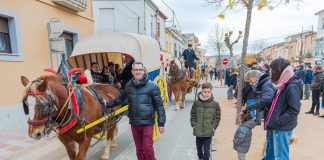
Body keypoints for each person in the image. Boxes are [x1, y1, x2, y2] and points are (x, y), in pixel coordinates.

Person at [99, 61, 166, 160]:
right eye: (136, 70)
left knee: (147, 147)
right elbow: (120, 100)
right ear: (132, 72)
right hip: (134, 122)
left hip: (148, 122)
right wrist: (106, 104)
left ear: (144, 71)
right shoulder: (129, 86)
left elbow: (160, 106)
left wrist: (161, 124)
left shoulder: (153, 86)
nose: (138, 71)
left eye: (140, 69)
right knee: (139, 149)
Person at [262, 58, 302, 160]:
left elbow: (294, 110)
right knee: (274, 154)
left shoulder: (291, 86)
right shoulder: (282, 84)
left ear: (277, 70)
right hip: (277, 125)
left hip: (282, 127)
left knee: (281, 157)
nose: (269, 72)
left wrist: (278, 120)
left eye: (271, 70)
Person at [190, 82, 221, 160]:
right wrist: (194, 125)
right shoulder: (196, 103)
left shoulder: (215, 104)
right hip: (198, 131)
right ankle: (200, 157)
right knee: (199, 150)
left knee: (207, 152)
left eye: (208, 92)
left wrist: (213, 127)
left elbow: (217, 117)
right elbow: (192, 115)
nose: (206, 93)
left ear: (211, 91)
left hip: (208, 131)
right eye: (204, 92)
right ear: (202, 91)